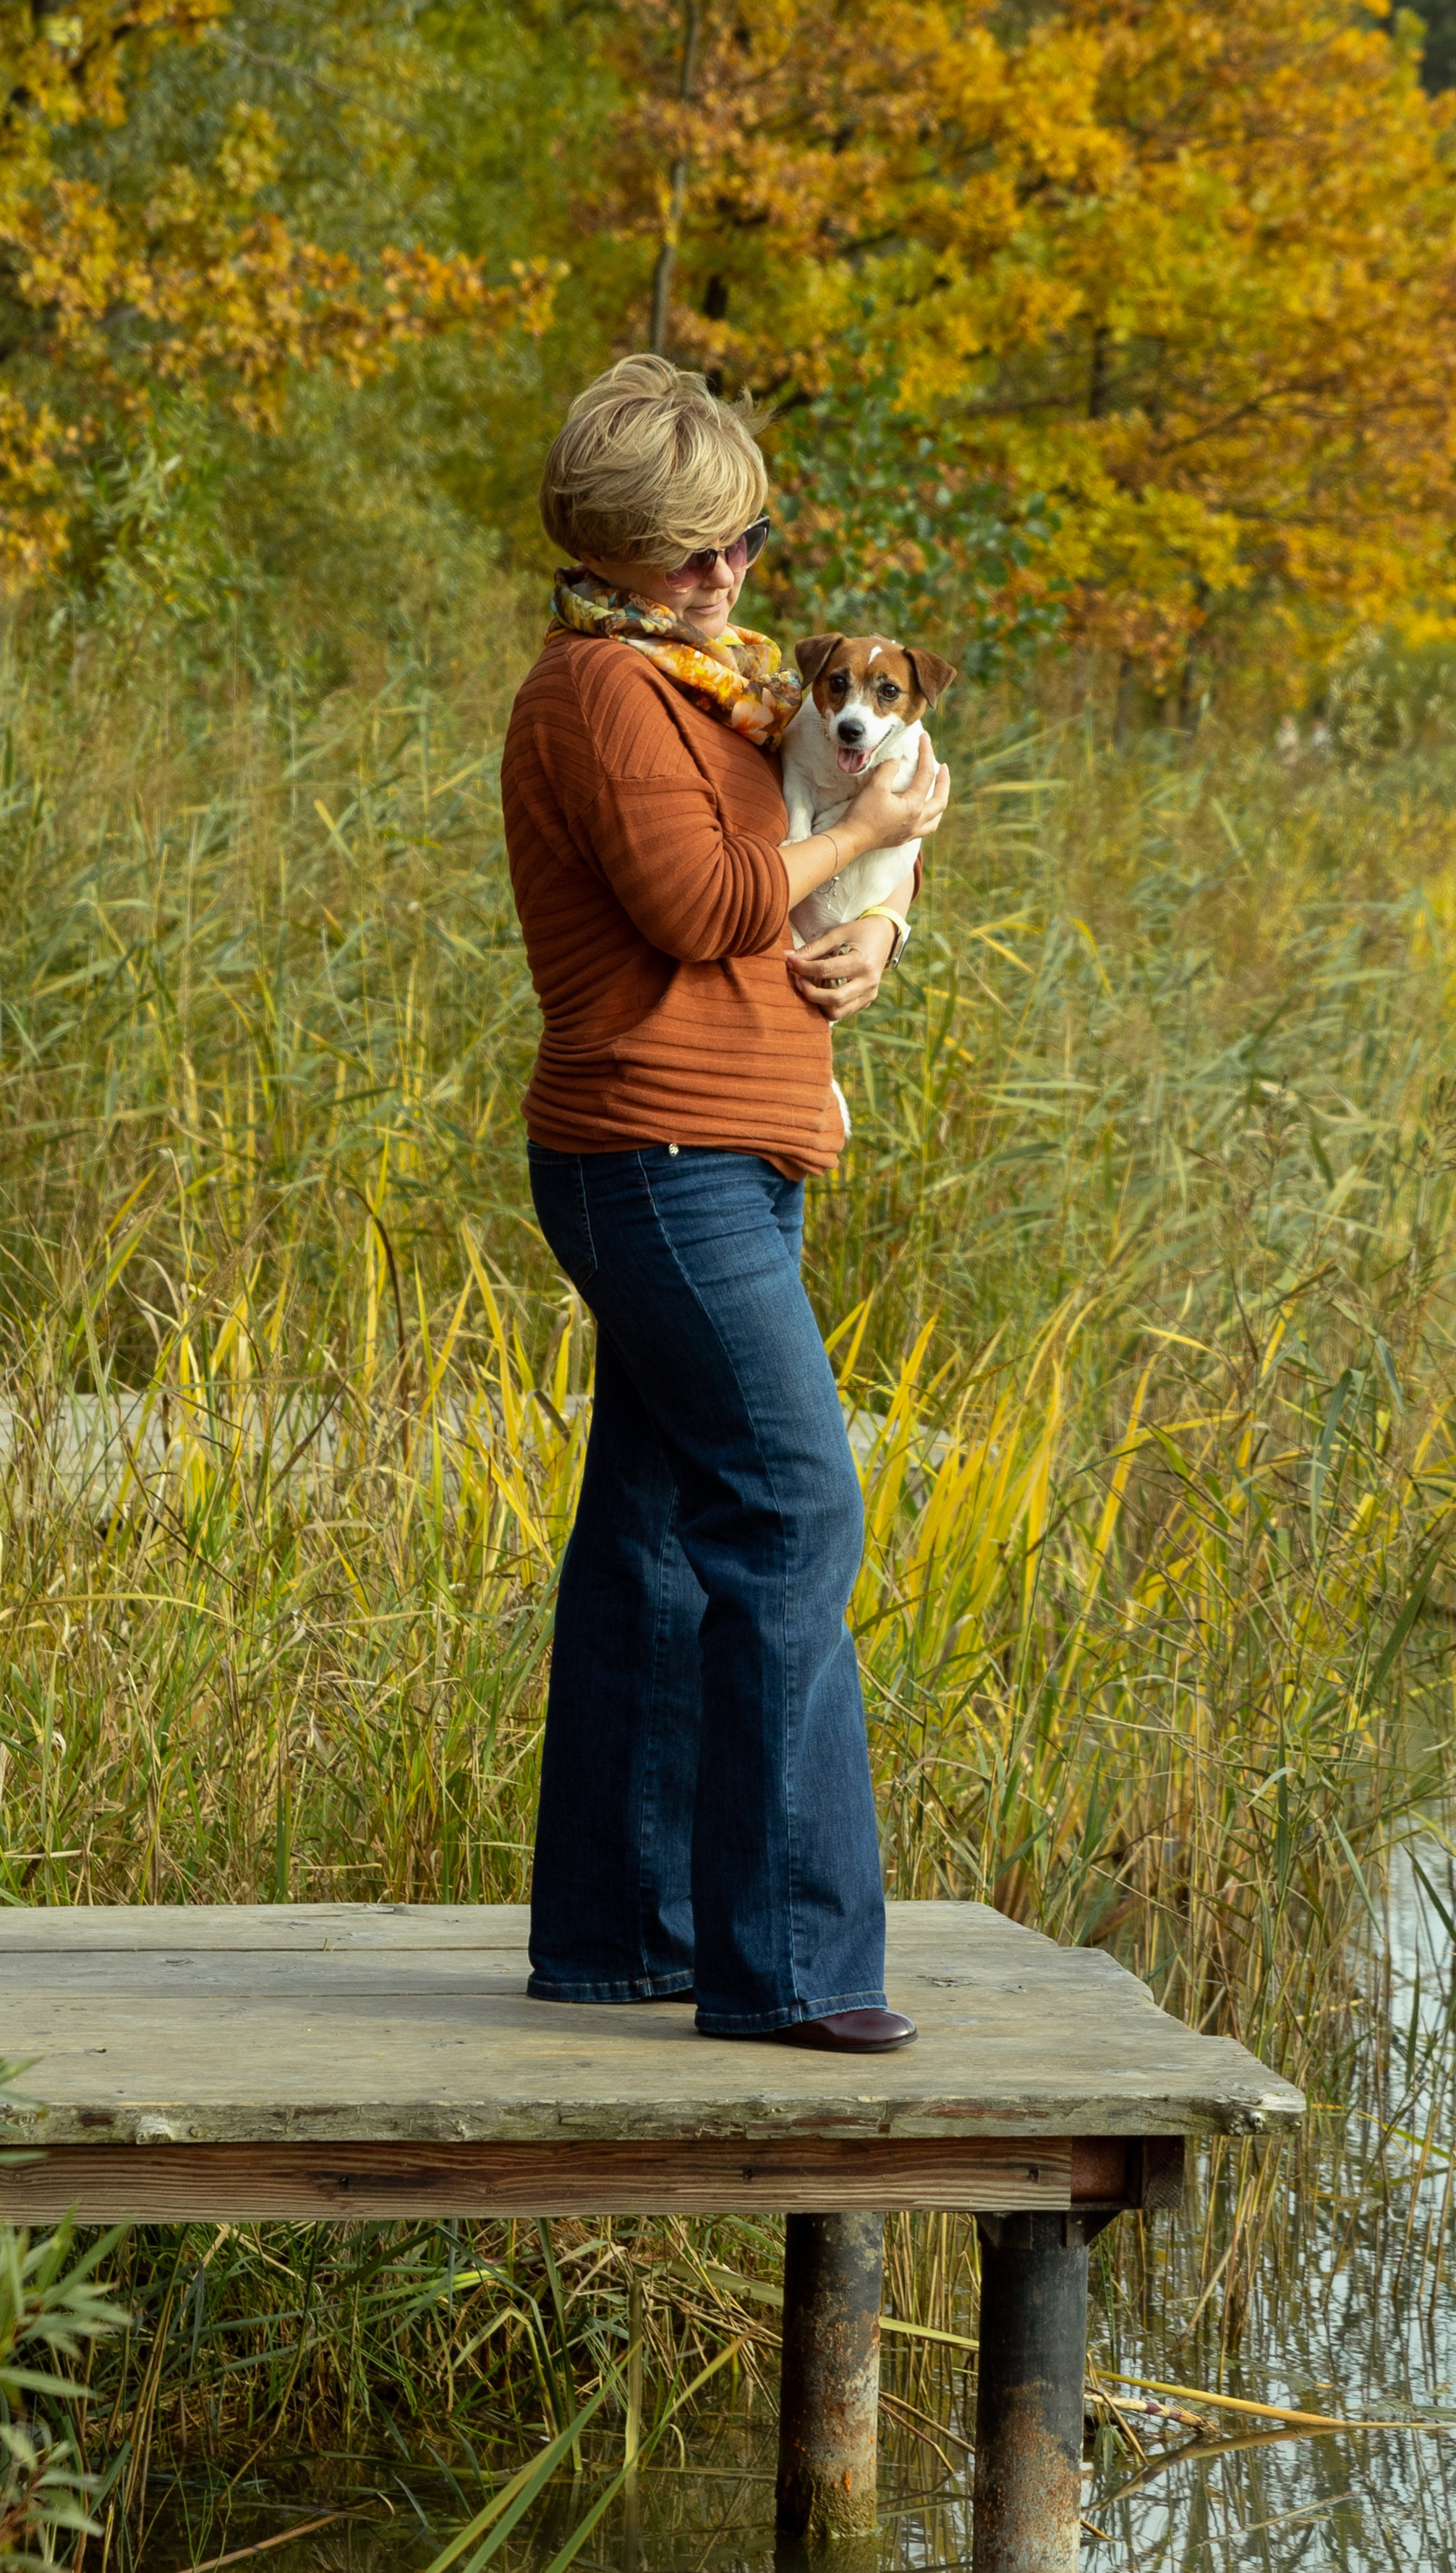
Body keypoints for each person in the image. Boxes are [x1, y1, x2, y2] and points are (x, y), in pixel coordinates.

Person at [501, 355, 950, 2053]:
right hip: (655, 1154)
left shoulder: (724, 687)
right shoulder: (601, 692)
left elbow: (838, 845)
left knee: (655, 1535)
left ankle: (625, 1935)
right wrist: (858, 840)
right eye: (686, 548)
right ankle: (790, 1970)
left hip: (733, 1151)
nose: (723, 572)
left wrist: (880, 918)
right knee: (792, 1507)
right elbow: (704, 905)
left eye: (742, 538)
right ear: (606, 544)